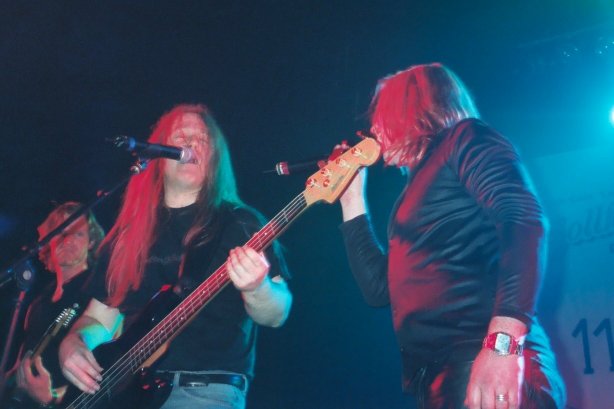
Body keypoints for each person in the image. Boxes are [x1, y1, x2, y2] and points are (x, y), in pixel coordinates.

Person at [338, 64, 566, 409]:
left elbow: (523, 220)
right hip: (441, 377)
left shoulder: (465, 137)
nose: (374, 129)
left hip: (482, 355)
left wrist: (502, 345)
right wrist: (350, 197)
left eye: (381, 115)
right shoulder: (413, 194)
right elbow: (380, 289)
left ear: (410, 110)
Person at [58, 104, 292, 409]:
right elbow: (99, 318)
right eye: (180, 137)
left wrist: (257, 288)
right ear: (158, 156)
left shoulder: (240, 223)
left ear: (214, 159)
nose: (190, 144)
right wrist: (73, 343)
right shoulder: (127, 235)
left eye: (202, 139)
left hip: (204, 391)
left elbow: (277, 313)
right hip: (126, 395)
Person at [9, 202, 105, 408]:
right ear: (48, 240)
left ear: (91, 242)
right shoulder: (37, 301)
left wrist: (53, 399)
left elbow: (110, 361)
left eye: (78, 234)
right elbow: (22, 359)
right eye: (61, 232)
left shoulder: (99, 289)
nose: (68, 240)